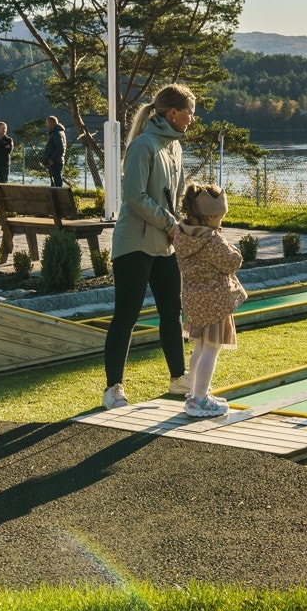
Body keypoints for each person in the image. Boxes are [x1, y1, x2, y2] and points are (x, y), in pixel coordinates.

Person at [102, 83, 194, 410]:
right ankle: (114, 388)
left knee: (172, 311)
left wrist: (181, 226)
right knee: (126, 315)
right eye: (189, 112)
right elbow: (135, 197)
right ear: (172, 113)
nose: (192, 119)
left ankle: (178, 376)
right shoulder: (144, 145)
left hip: (164, 245)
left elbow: (176, 197)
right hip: (134, 244)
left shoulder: (175, 148)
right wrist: (170, 224)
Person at [172, 182, 243, 418]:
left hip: (194, 300)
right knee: (212, 349)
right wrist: (230, 246)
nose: (221, 221)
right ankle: (200, 399)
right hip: (215, 301)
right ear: (211, 215)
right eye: (221, 216)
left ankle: (194, 393)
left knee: (200, 347)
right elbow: (232, 261)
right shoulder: (212, 240)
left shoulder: (182, 235)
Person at [44, 115, 68, 187]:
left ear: (51, 123)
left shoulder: (56, 133)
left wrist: (52, 159)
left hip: (55, 162)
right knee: (55, 182)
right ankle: (56, 196)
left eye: (47, 123)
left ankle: (59, 197)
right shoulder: (58, 132)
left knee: (56, 183)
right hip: (56, 161)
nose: (46, 125)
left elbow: (60, 148)